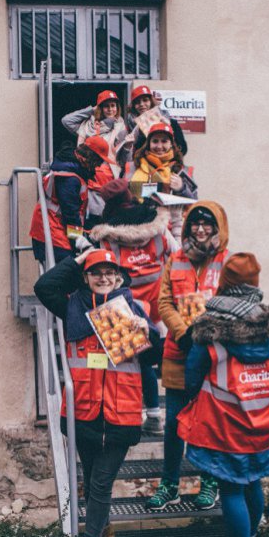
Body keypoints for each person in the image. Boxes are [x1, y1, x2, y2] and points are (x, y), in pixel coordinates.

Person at [34, 248, 161, 537]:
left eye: (110, 272)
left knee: (101, 483)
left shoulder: (134, 309)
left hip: (120, 414)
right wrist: (78, 259)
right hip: (84, 413)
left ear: (120, 278)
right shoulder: (73, 306)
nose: (103, 278)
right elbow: (44, 286)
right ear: (86, 278)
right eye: (95, 272)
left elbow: (156, 359)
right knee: (92, 483)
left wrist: (141, 333)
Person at [178, 253, 269, 537]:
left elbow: (193, 374)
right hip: (267, 421)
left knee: (230, 490)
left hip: (226, 424)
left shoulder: (211, 329)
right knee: (253, 481)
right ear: (255, 285)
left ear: (224, 285)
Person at [146, 202, 228, 512]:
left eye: (208, 224)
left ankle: (209, 482)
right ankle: (170, 485)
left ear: (218, 228)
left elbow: (232, 303)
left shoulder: (226, 261)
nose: (201, 229)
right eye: (195, 223)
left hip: (212, 357)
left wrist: (206, 335)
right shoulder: (176, 259)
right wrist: (182, 333)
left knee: (209, 423)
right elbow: (164, 302)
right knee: (173, 426)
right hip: (179, 352)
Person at [89, 178, 177, 434]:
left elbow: (100, 268)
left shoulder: (107, 238)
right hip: (159, 305)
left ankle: (132, 416)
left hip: (126, 306)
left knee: (133, 362)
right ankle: (156, 416)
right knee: (155, 361)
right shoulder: (158, 227)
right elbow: (177, 252)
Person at [29, 138, 109, 265]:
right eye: (98, 160)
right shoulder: (70, 178)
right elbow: (70, 213)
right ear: (90, 157)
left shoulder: (70, 169)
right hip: (53, 234)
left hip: (51, 231)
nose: (99, 165)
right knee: (65, 274)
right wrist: (78, 241)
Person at [127, 122, 196, 241]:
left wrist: (182, 189)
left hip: (174, 232)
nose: (159, 146)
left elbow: (193, 205)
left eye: (164, 141)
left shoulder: (182, 170)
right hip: (139, 229)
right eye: (155, 141)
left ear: (171, 144)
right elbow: (124, 198)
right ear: (148, 144)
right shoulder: (132, 167)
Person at [62, 90, 131, 177]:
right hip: (85, 171)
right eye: (106, 106)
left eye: (113, 105)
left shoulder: (120, 128)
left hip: (107, 174)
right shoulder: (88, 125)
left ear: (117, 108)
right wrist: (91, 110)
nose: (110, 109)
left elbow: (123, 158)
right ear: (100, 108)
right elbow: (66, 120)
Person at [123, 84, 187, 157]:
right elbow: (131, 156)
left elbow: (183, 150)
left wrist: (170, 129)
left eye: (145, 100)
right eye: (137, 102)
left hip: (167, 166)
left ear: (151, 101)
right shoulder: (132, 128)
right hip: (144, 167)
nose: (141, 104)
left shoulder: (171, 122)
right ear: (133, 106)